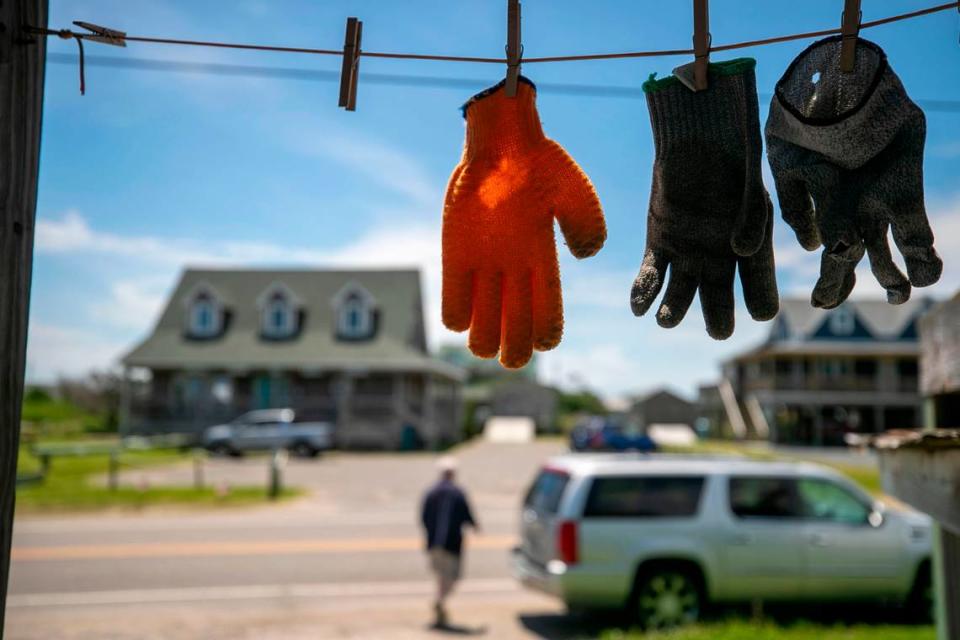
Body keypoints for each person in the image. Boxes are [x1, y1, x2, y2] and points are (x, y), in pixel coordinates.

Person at [420, 456, 479, 628]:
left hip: (433, 543)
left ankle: (440, 607)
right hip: (452, 544)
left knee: (440, 576)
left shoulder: (431, 492)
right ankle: (439, 602)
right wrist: (475, 526)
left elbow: (423, 517)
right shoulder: (457, 493)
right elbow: (467, 513)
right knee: (452, 577)